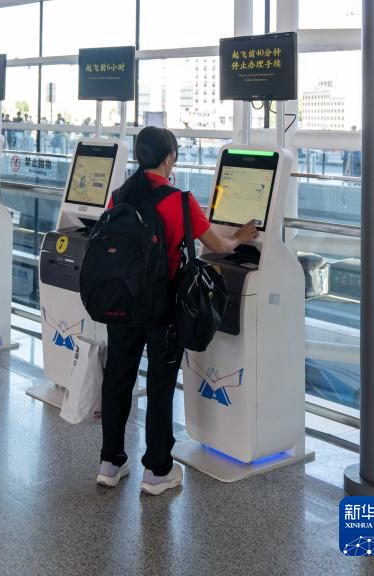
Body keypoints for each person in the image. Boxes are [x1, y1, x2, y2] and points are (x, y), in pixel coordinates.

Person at [97, 126, 258, 496]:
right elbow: (218, 244)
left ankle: (110, 463)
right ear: (169, 158)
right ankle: (156, 472)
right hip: (162, 306)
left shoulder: (119, 195)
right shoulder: (179, 200)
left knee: (118, 378)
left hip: (121, 302)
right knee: (160, 385)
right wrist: (241, 236)